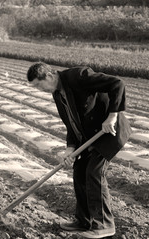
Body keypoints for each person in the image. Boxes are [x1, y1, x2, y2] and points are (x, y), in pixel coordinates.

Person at [27, 62, 132, 238]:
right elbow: (71, 124)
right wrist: (70, 149)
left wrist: (112, 116)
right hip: (90, 136)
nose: (39, 89)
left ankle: (104, 224)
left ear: (50, 76)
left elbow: (117, 83)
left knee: (94, 172)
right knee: (79, 171)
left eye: (39, 85)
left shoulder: (78, 76)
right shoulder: (58, 95)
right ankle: (84, 221)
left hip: (110, 131)